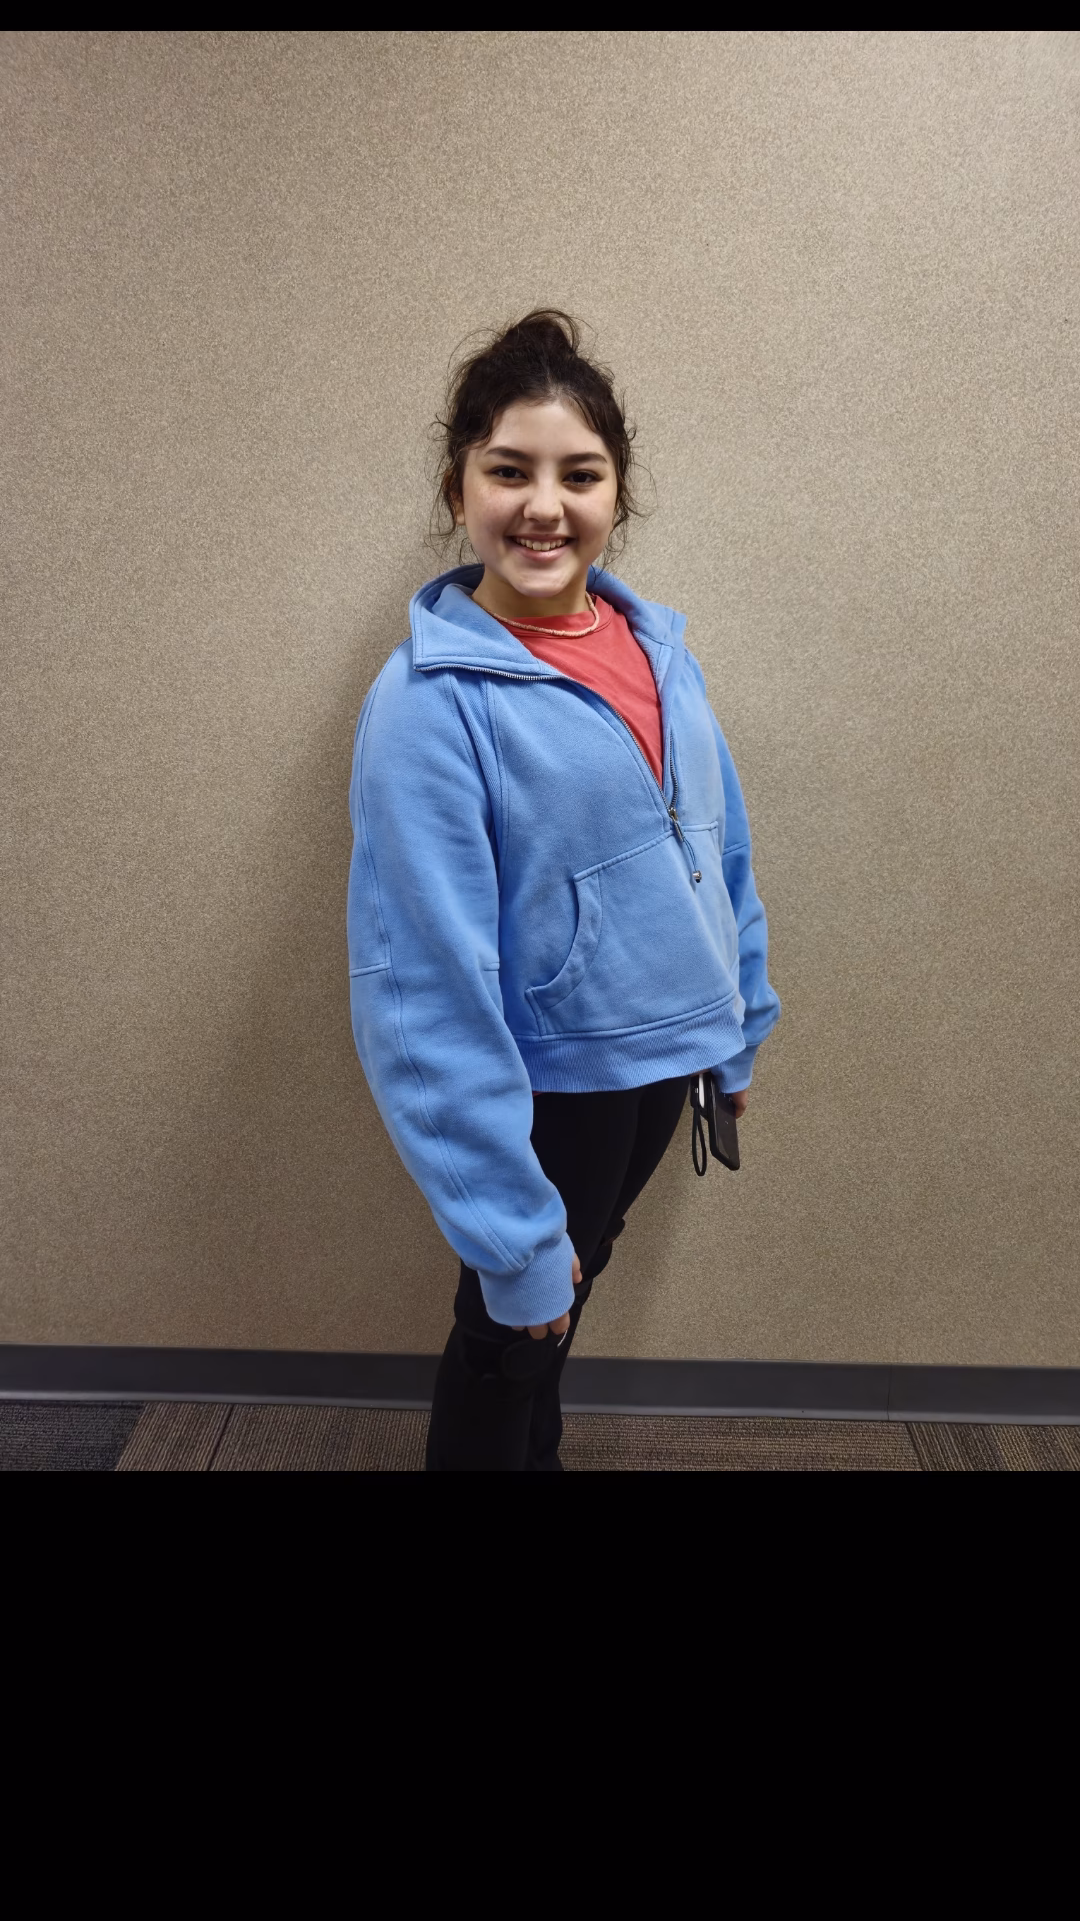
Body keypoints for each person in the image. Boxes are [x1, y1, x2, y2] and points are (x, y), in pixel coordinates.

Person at [347, 311, 781, 1470]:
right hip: (551, 1086)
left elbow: (720, 850)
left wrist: (735, 1026)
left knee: (560, 1318)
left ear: (616, 493)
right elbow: (422, 987)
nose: (545, 505)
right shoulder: (429, 704)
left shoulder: (656, 650)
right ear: (459, 488)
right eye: (510, 471)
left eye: (579, 475)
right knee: (514, 1336)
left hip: (661, 1069)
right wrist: (507, 1229)